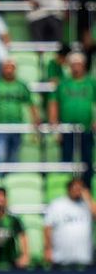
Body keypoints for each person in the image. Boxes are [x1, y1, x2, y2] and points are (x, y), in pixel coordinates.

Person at [0, 59, 40, 164]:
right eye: (6, 67)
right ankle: (0, 179)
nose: (8, 70)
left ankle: (11, 179)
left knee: (14, 157)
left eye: (11, 67)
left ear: (15, 69)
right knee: (0, 158)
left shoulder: (21, 85)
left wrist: (36, 120)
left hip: (16, 126)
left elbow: (31, 104)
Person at [48, 52, 96, 185]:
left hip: (86, 128)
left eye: (78, 64)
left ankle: (86, 188)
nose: (76, 67)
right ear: (69, 66)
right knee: (66, 158)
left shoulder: (91, 83)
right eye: (73, 65)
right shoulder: (63, 83)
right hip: (67, 128)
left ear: (83, 65)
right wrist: (53, 119)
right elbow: (53, 102)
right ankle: (67, 187)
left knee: (86, 160)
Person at [44, 177, 96, 268]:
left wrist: (89, 199)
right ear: (69, 189)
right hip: (61, 259)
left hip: (84, 258)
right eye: (75, 188)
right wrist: (48, 249)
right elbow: (48, 227)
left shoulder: (87, 205)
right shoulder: (57, 205)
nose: (77, 191)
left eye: (80, 188)